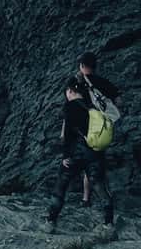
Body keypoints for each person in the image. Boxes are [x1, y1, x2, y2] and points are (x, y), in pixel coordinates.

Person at [47, 76, 114, 232]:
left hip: (77, 152)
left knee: (62, 184)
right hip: (96, 152)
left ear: (70, 91)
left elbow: (68, 134)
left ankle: (51, 221)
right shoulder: (94, 105)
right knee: (99, 185)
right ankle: (109, 224)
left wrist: (65, 156)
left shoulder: (70, 107)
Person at [74, 52, 122, 207]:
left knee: (88, 164)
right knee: (98, 160)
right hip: (103, 129)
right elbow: (119, 100)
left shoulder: (77, 84)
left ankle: (87, 199)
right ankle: (102, 195)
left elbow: (70, 108)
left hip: (86, 128)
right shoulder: (103, 82)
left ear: (81, 66)